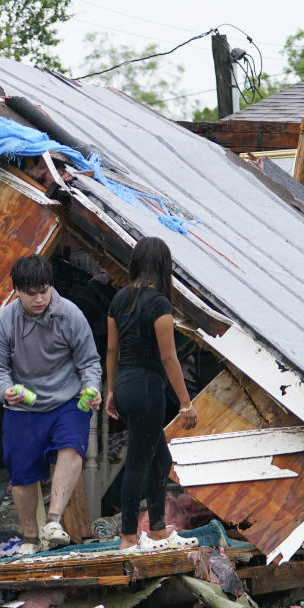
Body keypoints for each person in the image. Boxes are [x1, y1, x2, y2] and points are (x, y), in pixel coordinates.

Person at [0, 254, 103, 555]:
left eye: (44, 290)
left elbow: (90, 361)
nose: (39, 298)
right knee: (21, 471)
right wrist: (4, 390)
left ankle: (53, 521)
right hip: (23, 403)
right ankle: (29, 538)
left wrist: (92, 387)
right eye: (32, 293)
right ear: (17, 291)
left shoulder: (70, 315)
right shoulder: (3, 322)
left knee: (71, 446)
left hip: (68, 399)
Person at [104, 237, 199, 553]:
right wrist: (186, 403)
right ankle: (129, 536)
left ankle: (157, 529)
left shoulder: (118, 299)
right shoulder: (159, 303)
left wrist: (111, 391)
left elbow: (112, 349)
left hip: (126, 386)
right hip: (147, 388)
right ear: (163, 267)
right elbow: (169, 357)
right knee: (138, 463)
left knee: (161, 459)